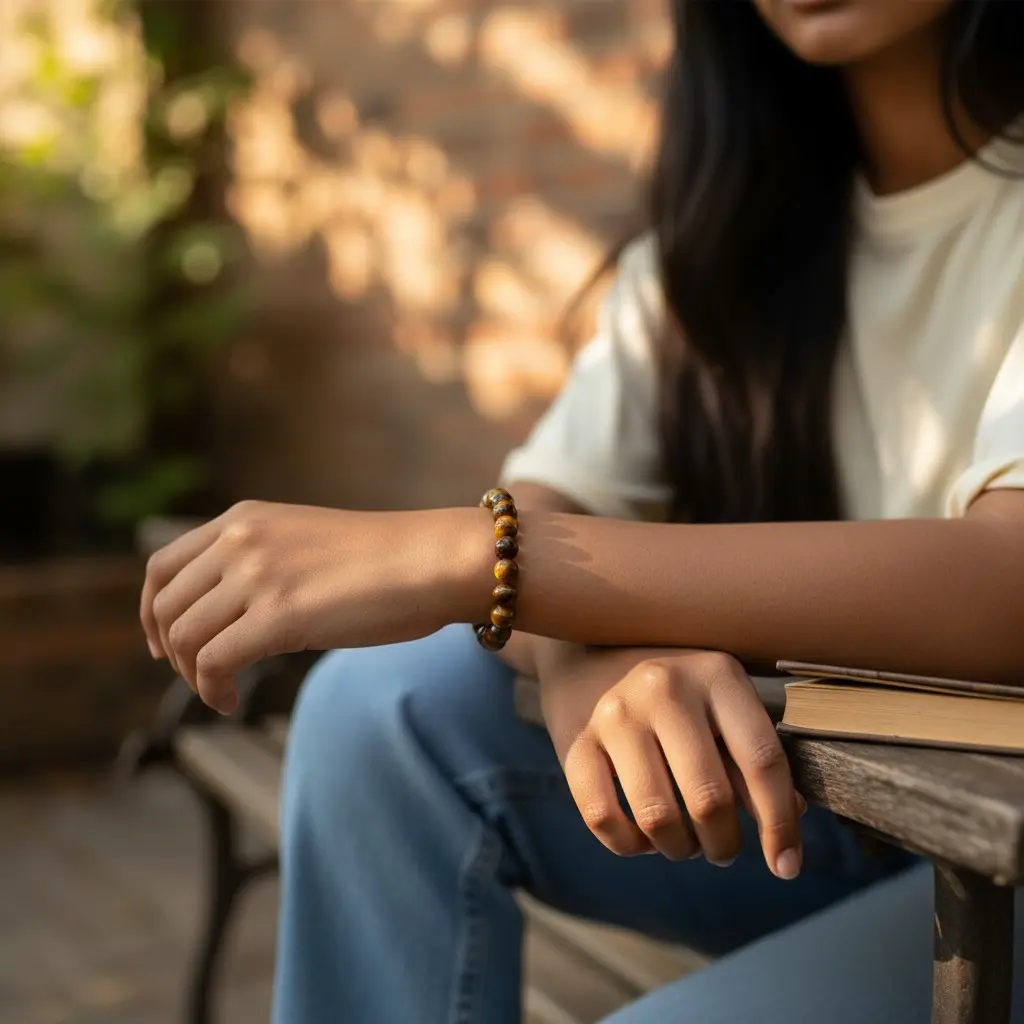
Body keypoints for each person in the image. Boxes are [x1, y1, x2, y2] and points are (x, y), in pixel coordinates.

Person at [140, 1, 1024, 1020]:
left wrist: (476, 555)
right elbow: (558, 494)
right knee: (379, 705)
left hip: (997, 859)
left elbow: (1007, 581)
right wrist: (584, 664)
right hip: (822, 814)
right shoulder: (724, 241)